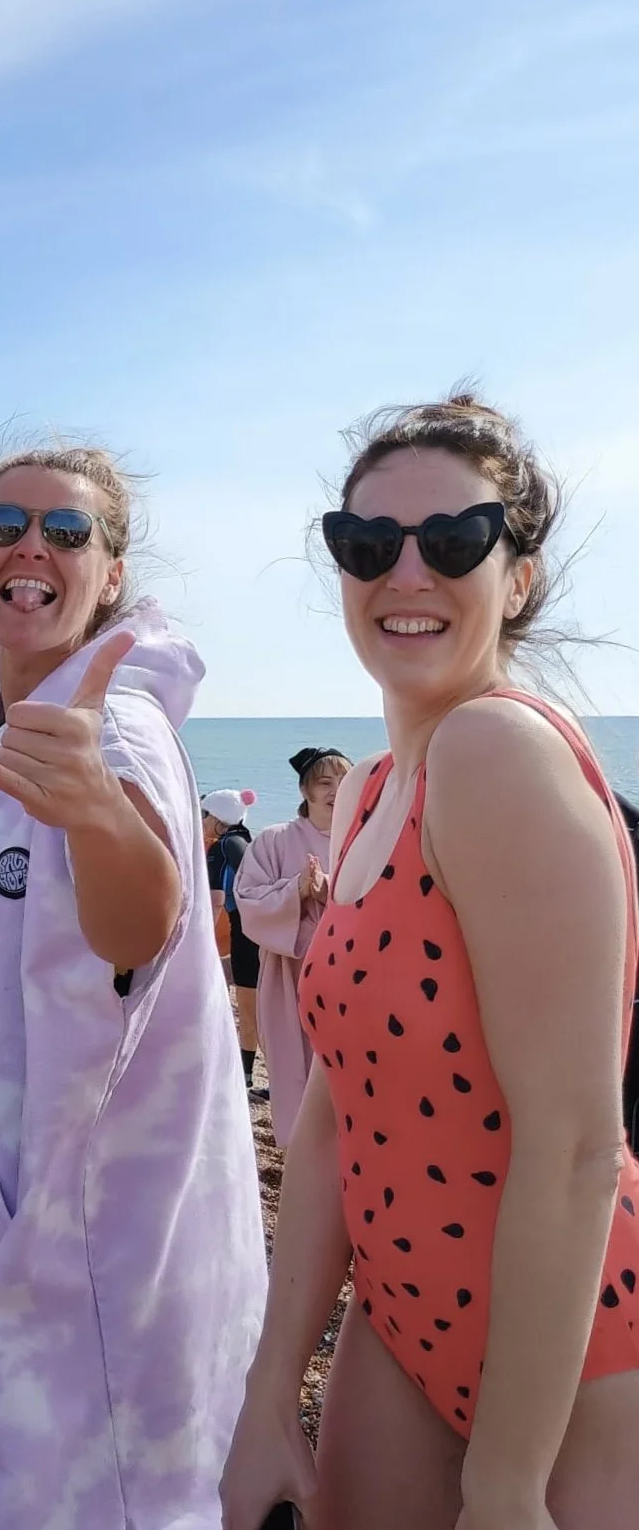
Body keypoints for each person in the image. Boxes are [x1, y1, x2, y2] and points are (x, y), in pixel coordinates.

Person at [221, 392, 639, 1530]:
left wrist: (503, 1485)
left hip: (568, 1368)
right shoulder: (363, 792)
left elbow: (572, 1145)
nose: (404, 572)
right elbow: (332, 1116)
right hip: (397, 1319)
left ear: (520, 573)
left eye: (451, 540)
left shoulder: (494, 752)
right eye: (366, 545)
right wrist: (269, 1392)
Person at [0, 442, 266, 1529]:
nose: (30, 547)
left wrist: (96, 809)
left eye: (66, 530)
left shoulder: (119, 730)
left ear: (110, 572)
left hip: (101, 1262)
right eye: (3, 524)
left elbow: (136, 927)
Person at [234, 748, 353, 1145]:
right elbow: (248, 898)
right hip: (290, 971)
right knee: (294, 1065)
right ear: (306, 790)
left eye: (343, 781)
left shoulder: (365, 837)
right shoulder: (274, 839)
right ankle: (300, 1156)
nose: (336, 790)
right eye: (325, 782)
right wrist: (296, 891)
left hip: (354, 973)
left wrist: (328, 885)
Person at [203, 789, 262, 1094]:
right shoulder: (249, 844)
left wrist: (204, 945)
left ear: (218, 818)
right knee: (264, 1010)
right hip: (267, 933)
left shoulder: (221, 847)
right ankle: (264, 1076)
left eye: (204, 814)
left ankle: (246, 1077)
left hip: (244, 934)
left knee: (248, 1010)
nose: (201, 820)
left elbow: (215, 901)